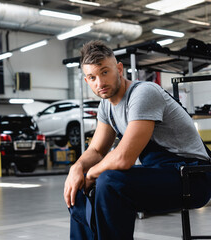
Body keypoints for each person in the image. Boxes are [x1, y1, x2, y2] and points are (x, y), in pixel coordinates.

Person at [63, 40, 211, 240]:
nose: (100, 83)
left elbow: (124, 158)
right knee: (78, 186)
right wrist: (77, 169)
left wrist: (90, 175)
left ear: (119, 69)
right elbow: (97, 151)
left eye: (105, 72)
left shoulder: (143, 93)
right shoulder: (107, 106)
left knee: (109, 182)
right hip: (163, 173)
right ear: (87, 80)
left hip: (193, 177)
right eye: (92, 77)